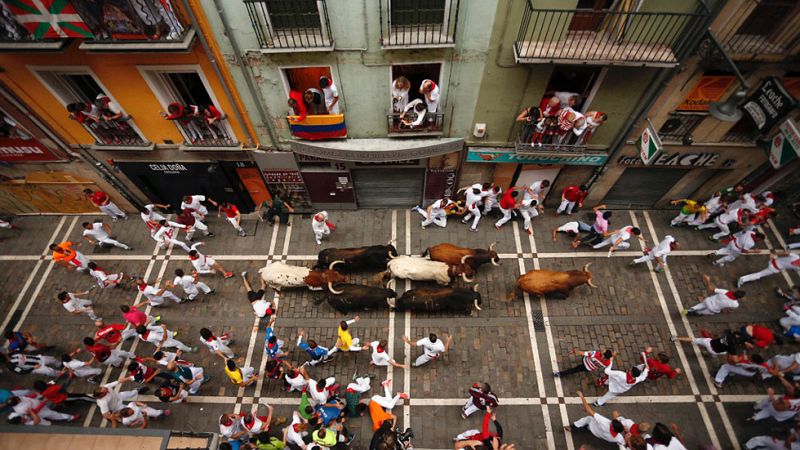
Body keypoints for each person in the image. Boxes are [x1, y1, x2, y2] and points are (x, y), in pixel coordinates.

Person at [670, 330, 737, 357]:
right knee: (723, 353)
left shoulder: (730, 336)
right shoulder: (733, 348)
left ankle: (675, 338)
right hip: (713, 351)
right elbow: (732, 355)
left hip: (708, 342)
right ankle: (709, 354)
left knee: (692, 339)